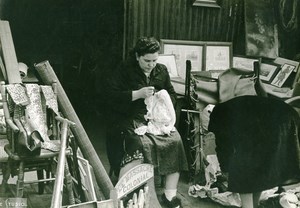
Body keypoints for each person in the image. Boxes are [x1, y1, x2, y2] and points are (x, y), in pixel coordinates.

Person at [104, 37, 188, 208]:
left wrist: (162, 98)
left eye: (154, 60)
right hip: (128, 117)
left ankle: (169, 195)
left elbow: (172, 94)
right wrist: (137, 94)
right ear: (137, 56)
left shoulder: (161, 70)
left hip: (155, 119)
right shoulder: (124, 70)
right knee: (138, 142)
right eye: (147, 61)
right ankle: (127, 191)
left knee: (175, 140)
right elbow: (110, 96)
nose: (151, 65)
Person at [208, 95, 300, 208]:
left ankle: (247, 206)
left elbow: (224, 147)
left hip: (272, 121)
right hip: (288, 116)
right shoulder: (228, 107)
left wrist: (225, 170)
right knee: (260, 167)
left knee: (241, 166)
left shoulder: (217, 115)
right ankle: (254, 205)